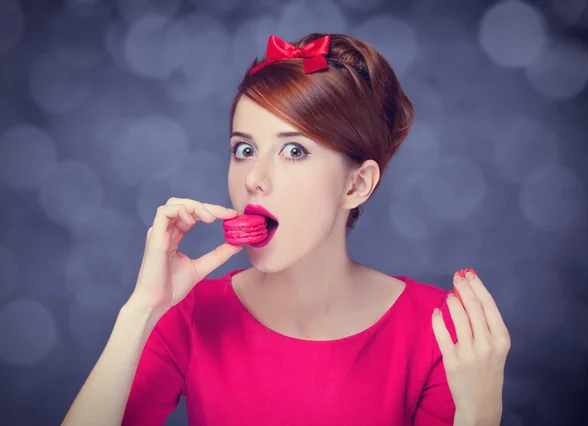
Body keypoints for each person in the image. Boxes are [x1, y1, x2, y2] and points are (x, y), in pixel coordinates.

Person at [61, 33, 511, 426]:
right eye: (244, 149)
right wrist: (141, 310)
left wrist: (480, 417)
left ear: (357, 184)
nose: (254, 177)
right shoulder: (189, 312)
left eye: (294, 150)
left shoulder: (442, 332)